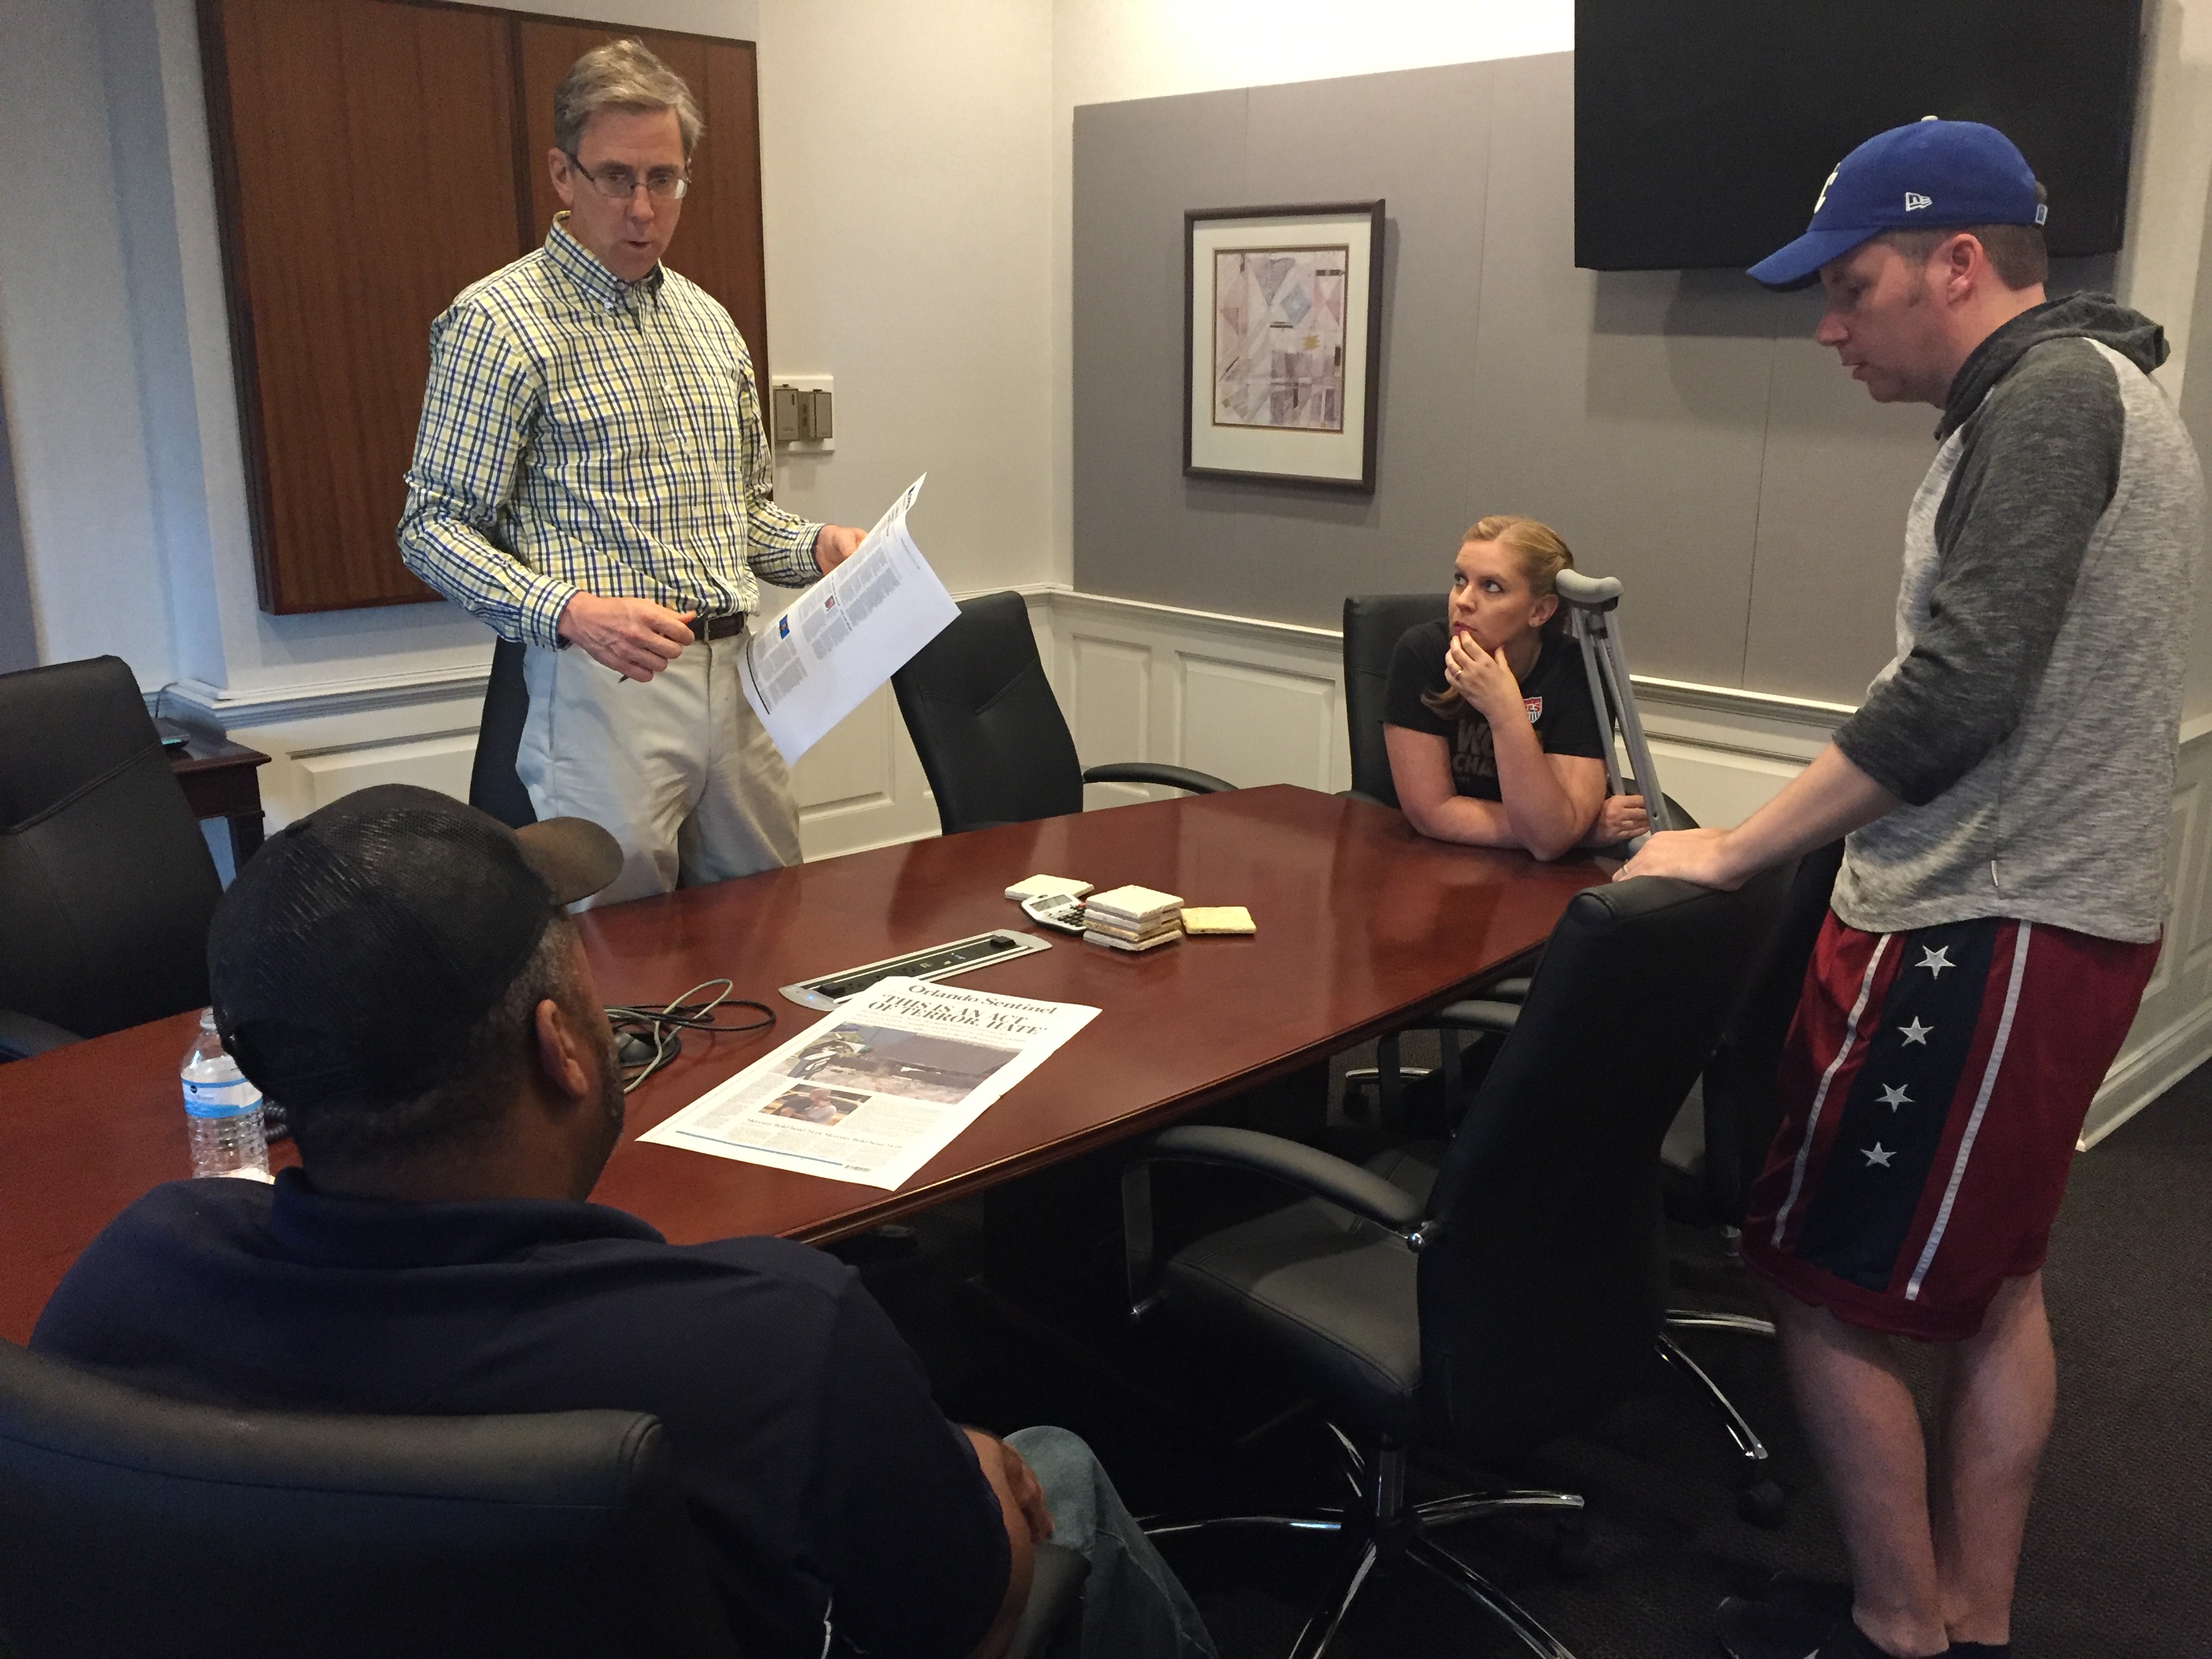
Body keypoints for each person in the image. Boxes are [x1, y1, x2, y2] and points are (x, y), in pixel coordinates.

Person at [31, 785, 1215, 1659]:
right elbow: (978, 1613)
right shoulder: (775, 1337)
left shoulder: (129, 1270)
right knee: (1049, 1461)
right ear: (560, 1044)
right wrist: (967, 1463)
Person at [1620, 121, 2203, 1659]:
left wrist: (1733, 845)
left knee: (1822, 1290)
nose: (1826, 325)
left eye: (1852, 286)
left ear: (1957, 262)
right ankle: (1966, 1615)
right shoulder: (2094, 388)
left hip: (1981, 927)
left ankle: (1896, 1627)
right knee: (2000, 1282)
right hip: (2063, 911)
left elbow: (1955, 693)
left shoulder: (2055, 400)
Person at [398, 40, 863, 906]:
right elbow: (432, 528)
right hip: (604, 688)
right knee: (617, 948)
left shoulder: (710, 322)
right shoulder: (498, 321)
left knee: (768, 920)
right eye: (617, 177)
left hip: (744, 676)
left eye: (666, 178)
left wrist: (822, 547)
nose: (643, 208)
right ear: (563, 175)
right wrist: (569, 612)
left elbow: (745, 516)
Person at [1382, 514, 1649, 859]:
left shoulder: (1577, 670)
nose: (1463, 600)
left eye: (1491, 586)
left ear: (1539, 611)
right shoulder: (1423, 653)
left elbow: (1550, 840)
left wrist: (1505, 710)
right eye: (1460, 579)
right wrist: (1576, 832)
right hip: (1434, 860)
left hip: (1540, 882)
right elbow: (1433, 814)